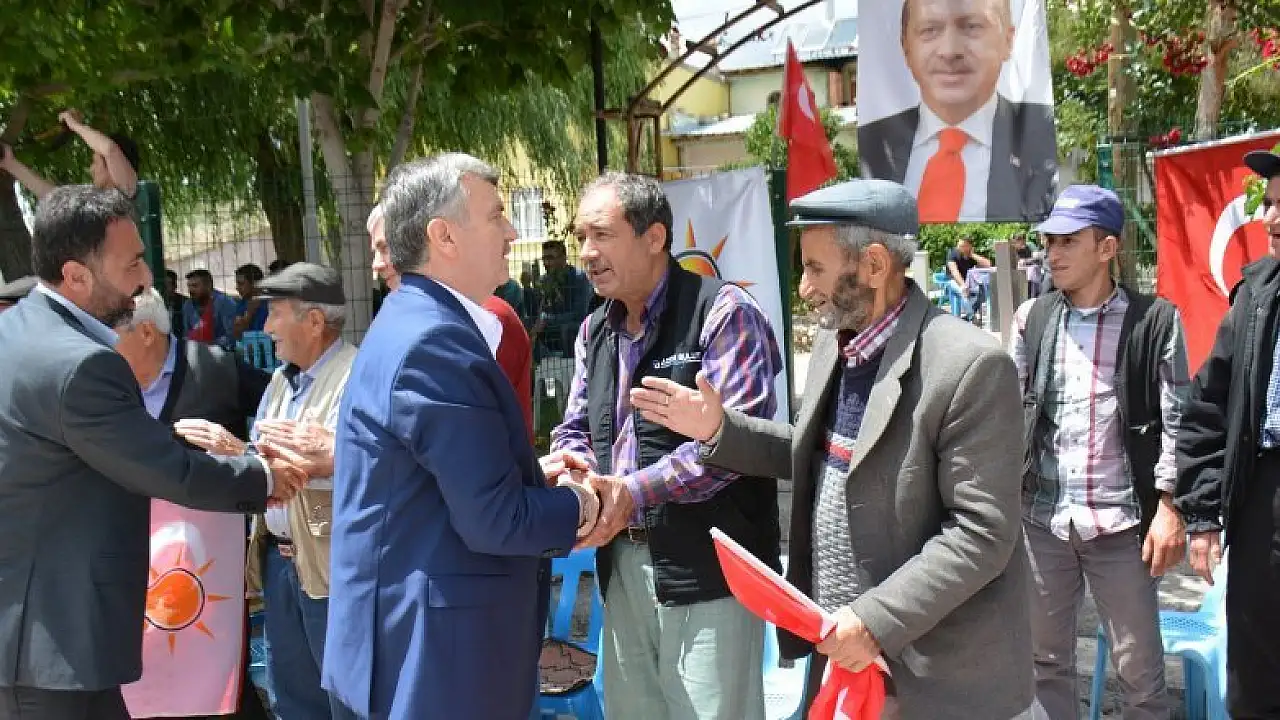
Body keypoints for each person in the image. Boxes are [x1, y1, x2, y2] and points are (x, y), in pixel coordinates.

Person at [632, 178, 1036, 719]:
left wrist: (873, 620)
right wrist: (718, 430)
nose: (803, 288)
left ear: (874, 265)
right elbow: (817, 458)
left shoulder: (969, 366)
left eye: (815, 269)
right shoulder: (836, 342)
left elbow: (981, 533)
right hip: (844, 658)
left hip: (933, 679)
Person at [0, 185, 304, 720]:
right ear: (76, 276)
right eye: (132, 263)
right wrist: (263, 476)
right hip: (50, 647)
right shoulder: (81, 364)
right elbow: (164, 468)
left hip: (43, 636)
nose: (145, 278)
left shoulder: (15, 330)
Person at [324, 154, 600, 720]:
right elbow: (495, 519)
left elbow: (433, 481)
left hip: (420, 649)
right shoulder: (434, 342)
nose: (512, 232)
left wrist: (531, 475)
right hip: (438, 664)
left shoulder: (412, 323)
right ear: (443, 236)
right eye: (496, 215)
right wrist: (586, 503)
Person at [547, 172, 783, 720]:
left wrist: (630, 492)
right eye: (582, 237)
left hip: (708, 571)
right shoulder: (594, 332)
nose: (587, 253)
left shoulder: (723, 313)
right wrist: (578, 479)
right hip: (621, 565)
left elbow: (735, 447)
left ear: (654, 237)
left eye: (602, 235)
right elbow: (575, 427)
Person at [1011, 185, 1186, 720]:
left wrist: (1169, 507)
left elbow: (1178, 420)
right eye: (1049, 241)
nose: (1053, 253)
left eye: (1068, 241)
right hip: (1043, 521)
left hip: (1123, 527)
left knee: (1140, 675)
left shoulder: (1155, 322)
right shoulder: (1032, 319)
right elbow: (1009, 413)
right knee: (1043, 664)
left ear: (1107, 248)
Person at [176, 263, 357, 720]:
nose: (267, 327)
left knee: (346, 702)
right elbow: (270, 458)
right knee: (292, 701)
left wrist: (239, 450)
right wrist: (241, 453)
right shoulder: (281, 379)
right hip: (280, 561)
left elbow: (341, 467)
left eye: (276, 313)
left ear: (314, 321)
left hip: (330, 568)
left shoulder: (355, 378)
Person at [112, 288, 273, 720]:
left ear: (146, 332)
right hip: (129, 561)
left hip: (207, 575)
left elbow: (278, 421)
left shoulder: (216, 369)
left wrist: (243, 451)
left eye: (111, 334)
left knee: (219, 681)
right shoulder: (101, 385)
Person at [1176, 147, 1280, 718]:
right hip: (1264, 496)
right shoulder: (1256, 296)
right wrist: (1202, 515)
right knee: (1257, 674)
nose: (1269, 218)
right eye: (1269, 205)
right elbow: (1207, 408)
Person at [858, 0, 1056, 222]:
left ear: (1008, 41)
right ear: (906, 47)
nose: (949, 51)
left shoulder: (1038, 141)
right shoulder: (874, 147)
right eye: (929, 30)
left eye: (972, 27)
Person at [0, 109, 140, 200]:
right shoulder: (92, 203)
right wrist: (9, 163)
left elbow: (110, 149)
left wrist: (74, 125)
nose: (91, 169)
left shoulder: (127, 190)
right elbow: (50, 195)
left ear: (113, 166)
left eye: (95, 162)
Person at [534, 239, 593, 357]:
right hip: (551, 332)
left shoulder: (579, 278)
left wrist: (547, 319)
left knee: (569, 328)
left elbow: (580, 314)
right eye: (544, 258)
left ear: (563, 258)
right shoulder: (544, 280)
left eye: (550, 258)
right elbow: (539, 313)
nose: (546, 263)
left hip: (575, 332)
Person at [183, 268, 239, 349]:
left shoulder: (224, 302)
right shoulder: (188, 305)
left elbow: (232, 336)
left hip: (223, 352)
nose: (190, 290)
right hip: (197, 350)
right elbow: (187, 334)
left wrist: (209, 345)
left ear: (208, 285)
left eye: (195, 286)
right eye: (189, 286)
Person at [946, 237, 991, 319]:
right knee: (964, 292)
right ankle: (971, 317)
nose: (959, 248)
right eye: (959, 245)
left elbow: (988, 264)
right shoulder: (953, 254)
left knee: (983, 292)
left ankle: (971, 314)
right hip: (953, 281)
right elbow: (954, 272)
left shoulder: (971, 257)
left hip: (969, 282)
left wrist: (972, 255)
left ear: (969, 246)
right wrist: (963, 285)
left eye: (962, 246)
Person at [232, 263, 269, 338]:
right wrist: (248, 316)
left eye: (241, 284)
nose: (237, 288)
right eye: (237, 284)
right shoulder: (242, 303)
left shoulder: (270, 303)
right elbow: (237, 335)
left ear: (255, 284)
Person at [163, 268, 188, 336]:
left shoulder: (185, 302)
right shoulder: (153, 304)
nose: (165, 288)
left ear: (175, 286)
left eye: (168, 284)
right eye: (164, 285)